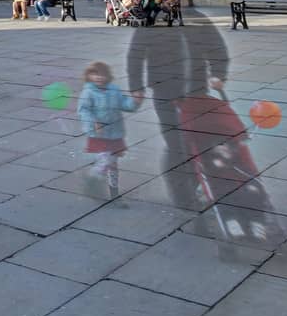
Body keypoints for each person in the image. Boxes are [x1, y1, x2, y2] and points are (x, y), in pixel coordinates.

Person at [127, 17, 230, 211]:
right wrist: (136, 86)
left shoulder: (196, 18)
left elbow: (216, 47)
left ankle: (198, 184)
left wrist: (218, 73)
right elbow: (136, 53)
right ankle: (183, 195)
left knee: (200, 140)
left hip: (196, 91)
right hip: (165, 91)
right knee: (176, 143)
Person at [78, 60, 139, 198]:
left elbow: (125, 104)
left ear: (108, 76)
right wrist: (94, 122)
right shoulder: (88, 92)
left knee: (113, 164)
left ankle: (114, 192)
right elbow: (83, 111)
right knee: (105, 160)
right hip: (99, 135)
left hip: (115, 134)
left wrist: (135, 101)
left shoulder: (114, 90)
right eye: (95, 74)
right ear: (89, 76)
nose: (99, 77)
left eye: (102, 74)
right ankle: (92, 180)